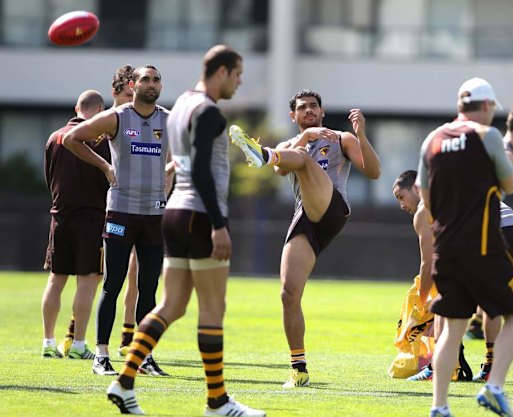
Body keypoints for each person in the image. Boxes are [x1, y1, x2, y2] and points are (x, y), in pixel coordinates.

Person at [106, 45, 265, 417]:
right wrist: (220, 225)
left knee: (171, 305)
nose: (240, 83)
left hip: (174, 212)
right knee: (212, 307)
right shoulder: (208, 111)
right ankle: (217, 402)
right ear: (221, 71)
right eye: (238, 74)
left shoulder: (178, 108)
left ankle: (124, 381)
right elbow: (203, 173)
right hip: (199, 216)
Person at [230, 89, 381, 388]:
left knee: (299, 158)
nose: (309, 111)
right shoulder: (292, 145)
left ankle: (260, 153)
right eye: (303, 108)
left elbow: (374, 173)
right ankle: (298, 369)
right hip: (307, 218)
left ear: (322, 112)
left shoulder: (341, 138)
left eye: (314, 107)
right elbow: (278, 169)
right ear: (293, 116)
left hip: (335, 208)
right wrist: (305, 138)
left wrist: (361, 134)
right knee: (288, 293)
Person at [416, 77, 513, 417]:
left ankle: (439, 407)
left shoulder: (431, 140)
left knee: (452, 328)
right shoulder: (488, 136)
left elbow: (425, 197)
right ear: (485, 106)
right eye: (491, 109)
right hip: (483, 245)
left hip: (446, 248)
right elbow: (509, 182)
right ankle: (494, 387)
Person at [62, 65, 171, 377]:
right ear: (133, 84)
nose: (151, 84)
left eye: (156, 79)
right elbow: (73, 138)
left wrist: (172, 179)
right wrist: (105, 167)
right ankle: (101, 355)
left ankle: (144, 356)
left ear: (160, 86)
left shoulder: (170, 119)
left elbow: (186, 154)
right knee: (112, 284)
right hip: (121, 212)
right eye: (145, 79)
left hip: (154, 214)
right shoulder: (118, 117)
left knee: (149, 288)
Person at [56, 65, 139, 359]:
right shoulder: (103, 127)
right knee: (99, 277)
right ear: (116, 93)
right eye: (130, 93)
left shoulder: (142, 121)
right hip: (104, 212)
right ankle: (75, 336)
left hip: (139, 209)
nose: (135, 98)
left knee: (134, 273)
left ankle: (127, 336)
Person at [472, 105, 513, 382]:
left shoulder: (504, 149)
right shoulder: (506, 150)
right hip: (506, 227)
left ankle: (491, 366)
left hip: (504, 228)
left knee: (497, 303)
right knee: (492, 297)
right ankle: (480, 334)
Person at [42, 90, 107, 360]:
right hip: (90, 218)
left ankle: (47, 342)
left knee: (56, 280)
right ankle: (79, 344)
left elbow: (49, 176)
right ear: (100, 109)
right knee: (87, 281)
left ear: (76, 108)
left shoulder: (53, 137)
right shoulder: (99, 139)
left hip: (60, 215)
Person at [392, 171, 472, 384]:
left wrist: (422, 299)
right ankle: (457, 363)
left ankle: (438, 367)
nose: (401, 205)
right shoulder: (444, 201)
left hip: (473, 258)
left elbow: (428, 262)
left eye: (401, 196)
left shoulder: (423, 212)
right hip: (485, 252)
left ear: (416, 189)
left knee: (439, 305)